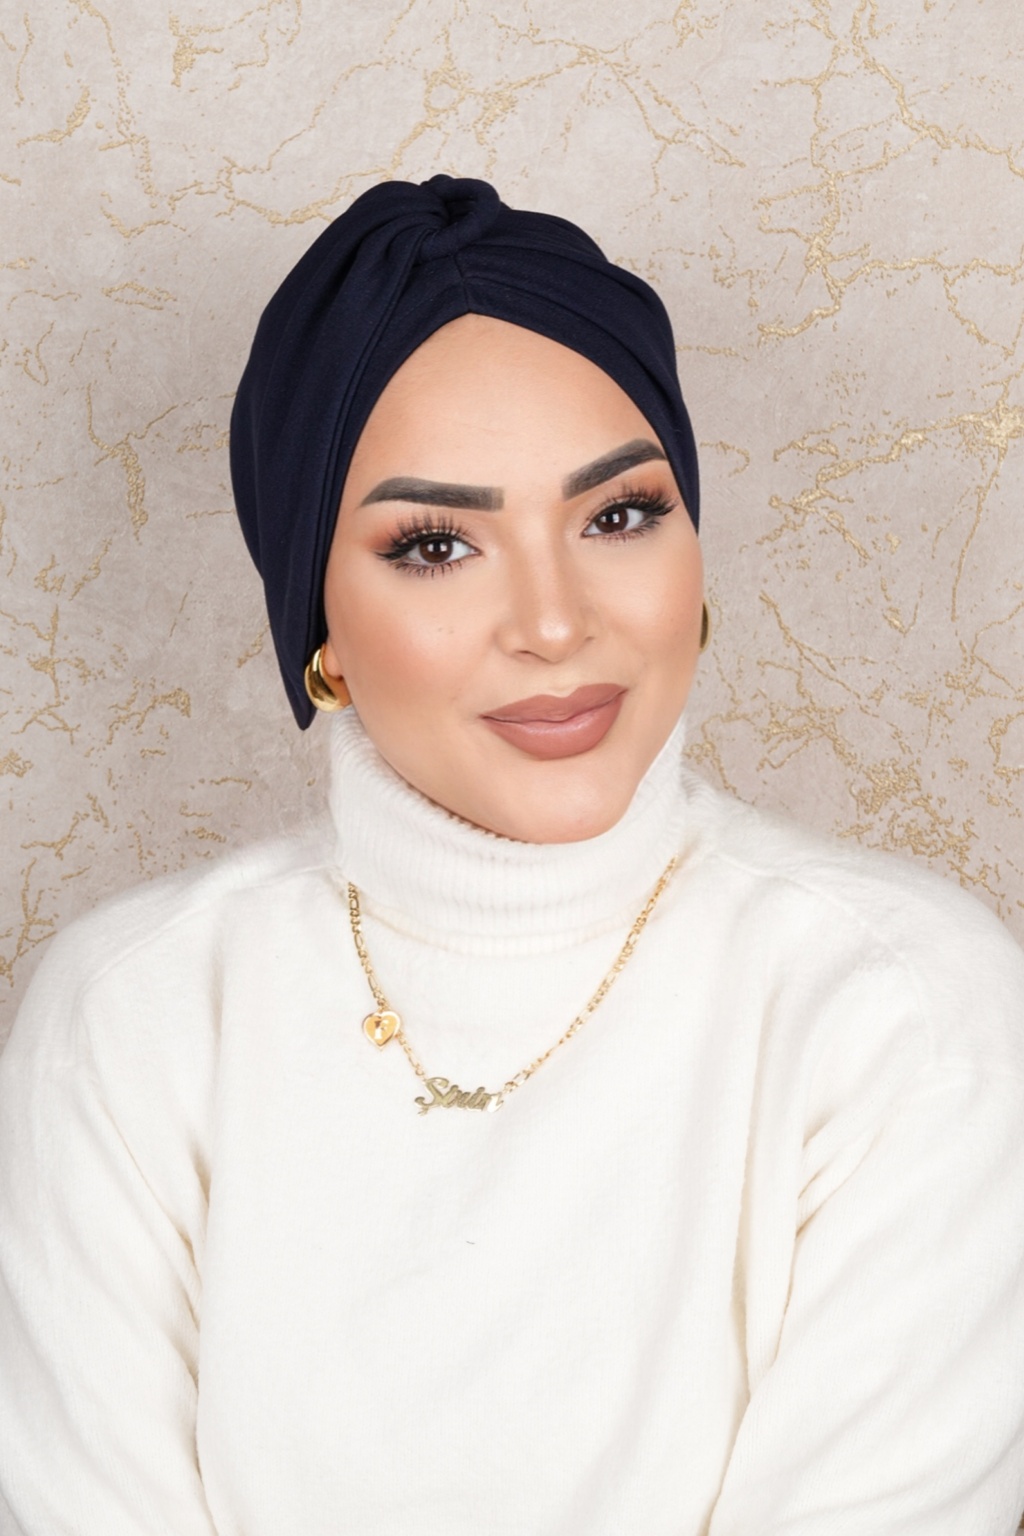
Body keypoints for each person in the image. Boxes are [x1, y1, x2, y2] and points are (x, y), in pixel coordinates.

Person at [1, 175, 1023, 1536]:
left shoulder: (906, 1006)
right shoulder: (133, 1016)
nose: (552, 622)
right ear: (317, 629)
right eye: (435, 545)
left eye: (618, 516)